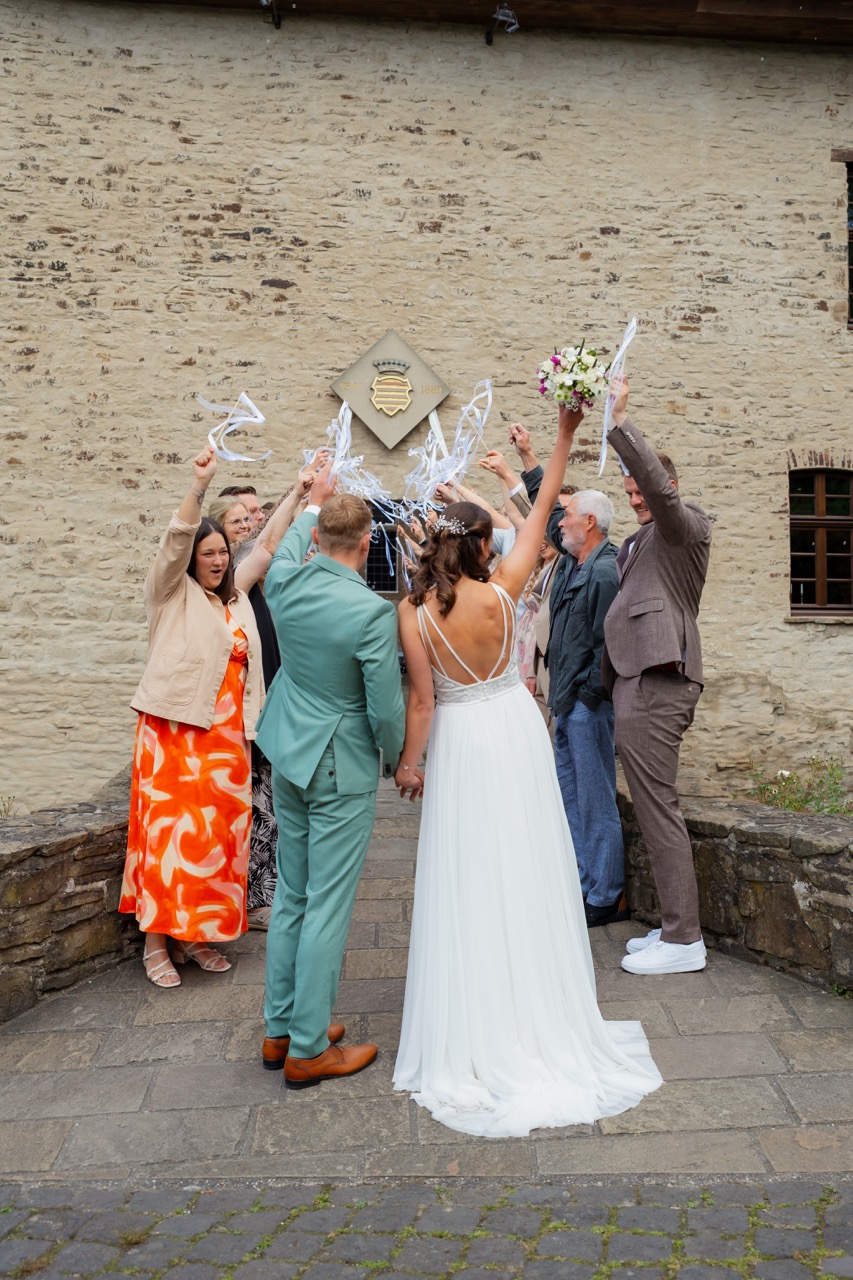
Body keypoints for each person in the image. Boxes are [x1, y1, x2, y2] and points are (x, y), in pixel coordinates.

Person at [392, 404, 662, 1138]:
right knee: (525, 857)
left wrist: (410, 765)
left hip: (460, 739)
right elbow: (542, 513)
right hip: (512, 727)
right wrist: (564, 434)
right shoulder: (503, 588)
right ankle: (540, 1001)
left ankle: (477, 1011)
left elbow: (421, 701)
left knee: (469, 866)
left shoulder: (412, 612)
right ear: (481, 548)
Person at [256, 464, 405, 1087]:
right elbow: (385, 707)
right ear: (368, 544)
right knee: (328, 904)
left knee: (293, 894)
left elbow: (289, 542)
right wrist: (397, 759)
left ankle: (281, 1028)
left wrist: (313, 500)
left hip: (287, 751)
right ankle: (309, 1048)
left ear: (319, 539)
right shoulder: (371, 612)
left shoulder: (284, 582)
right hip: (340, 765)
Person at [119, 446, 264, 988]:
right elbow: (176, 537)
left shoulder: (235, 601)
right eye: (208, 553)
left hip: (227, 742)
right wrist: (199, 486)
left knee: (215, 842)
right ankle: (156, 943)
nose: (218, 560)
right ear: (191, 558)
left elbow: (269, 545)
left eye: (223, 551)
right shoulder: (170, 593)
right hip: (175, 737)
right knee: (169, 840)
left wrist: (305, 494)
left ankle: (195, 935)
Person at [603, 377, 712, 976]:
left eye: (641, 491)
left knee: (659, 808)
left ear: (663, 487)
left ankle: (684, 940)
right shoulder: (639, 541)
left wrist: (620, 424)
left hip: (659, 681)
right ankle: (673, 926)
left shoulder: (685, 525)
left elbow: (662, 498)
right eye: (627, 494)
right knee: (650, 808)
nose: (635, 501)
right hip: (636, 681)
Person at [232, 454, 329, 929]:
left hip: (271, 704)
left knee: (270, 806)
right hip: (244, 712)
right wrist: (304, 498)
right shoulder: (235, 577)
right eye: (239, 519)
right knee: (258, 809)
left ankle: (265, 893)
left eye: (252, 516)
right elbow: (269, 543)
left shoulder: (259, 581)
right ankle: (254, 900)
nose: (250, 524)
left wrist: (303, 496)